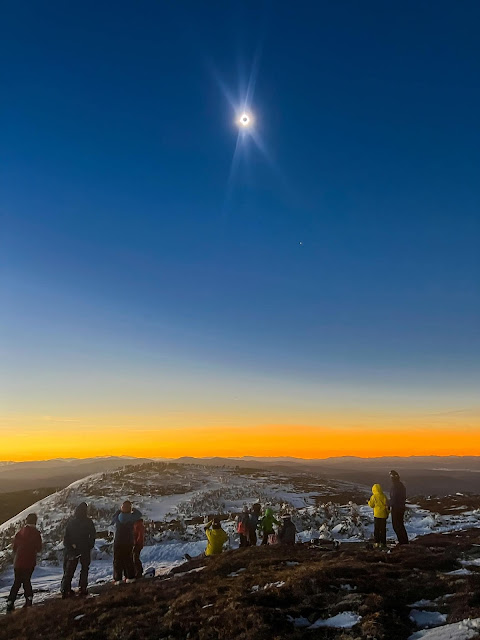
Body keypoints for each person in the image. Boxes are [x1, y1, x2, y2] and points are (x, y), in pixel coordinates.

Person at [6, 513, 42, 613]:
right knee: (26, 580)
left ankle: (10, 602)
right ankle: (29, 600)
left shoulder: (20, 532)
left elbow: (14, 548)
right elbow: (39, 548)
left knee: (17, 582)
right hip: (29, 561)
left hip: (18, 562)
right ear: (35, 521)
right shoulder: (36, 533)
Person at [61, 502, 96, 598]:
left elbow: (66, 537)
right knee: (84, 569)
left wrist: (69, 547)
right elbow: (92, 535)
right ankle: (83, 588)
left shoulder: (71, 522)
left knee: (69, 570)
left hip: (72, 549)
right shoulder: (88, 522)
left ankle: (65, 589)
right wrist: (89, 545)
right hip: (84, 548)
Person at [111, 501, 142, 584]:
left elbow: (113, 518)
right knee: (128, 559)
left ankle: (118, 579)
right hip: (128, 541)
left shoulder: (118, 517)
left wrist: (118, 511)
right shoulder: (132, 517)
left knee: (117, 560)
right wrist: (133, 510)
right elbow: (139, 514)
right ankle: (130, 577)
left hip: (118, 541)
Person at [389, 470, 409, 545]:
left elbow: (394, 498)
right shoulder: (401, 485)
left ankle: (402, 542)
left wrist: (388, 504)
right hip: (401, 507)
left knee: (396, 526)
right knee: (400, 525)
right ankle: (404, 541)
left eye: (391, 476)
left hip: (396, 508)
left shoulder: (395, 486)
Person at [368, 484, 389, 548]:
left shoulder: (373, 497)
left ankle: (376, 542)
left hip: (377, 515)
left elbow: (371, 505)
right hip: (383, 515)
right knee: (383, 530)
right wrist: (387, 513)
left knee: (376, 529)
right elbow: (387, 506)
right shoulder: (384, 496)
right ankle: (383, 543)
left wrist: (368, 502)